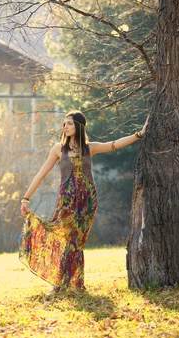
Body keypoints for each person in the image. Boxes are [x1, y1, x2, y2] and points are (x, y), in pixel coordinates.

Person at [19, 110, 148, 295]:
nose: (65, 127)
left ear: (79, 126)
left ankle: (69, 284)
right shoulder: (58, 149)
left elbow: (114, 145)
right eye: (64, 124)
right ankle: (67, 284)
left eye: (69, 123)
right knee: (68, 240)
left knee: (77, 242)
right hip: (66, 202)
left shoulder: (89, 147)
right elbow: (41, 174)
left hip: (87, 201)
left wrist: (139, 135)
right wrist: (26, 198)